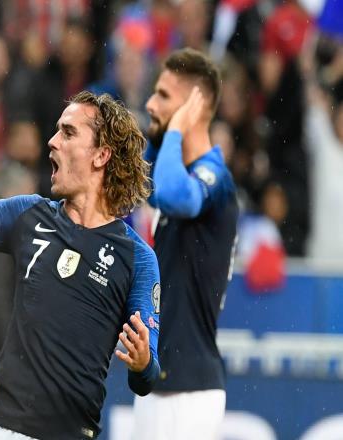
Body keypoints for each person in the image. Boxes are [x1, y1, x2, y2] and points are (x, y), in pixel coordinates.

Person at [0, 77, 161, 440]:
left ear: (101, 155)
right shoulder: (28, 215)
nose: (52, 141)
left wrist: (141, 362)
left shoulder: (137, 258)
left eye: (68, 132)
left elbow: (148, 376)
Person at [133, 48, 239, 439]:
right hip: (159, 385)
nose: (150, 103)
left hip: (188, 392)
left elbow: (177, 196)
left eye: (163, 95)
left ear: (194, 106)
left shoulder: (215, 177)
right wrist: (165, 133)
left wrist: (176, 129)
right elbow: (145, 183)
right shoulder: (175, 173)